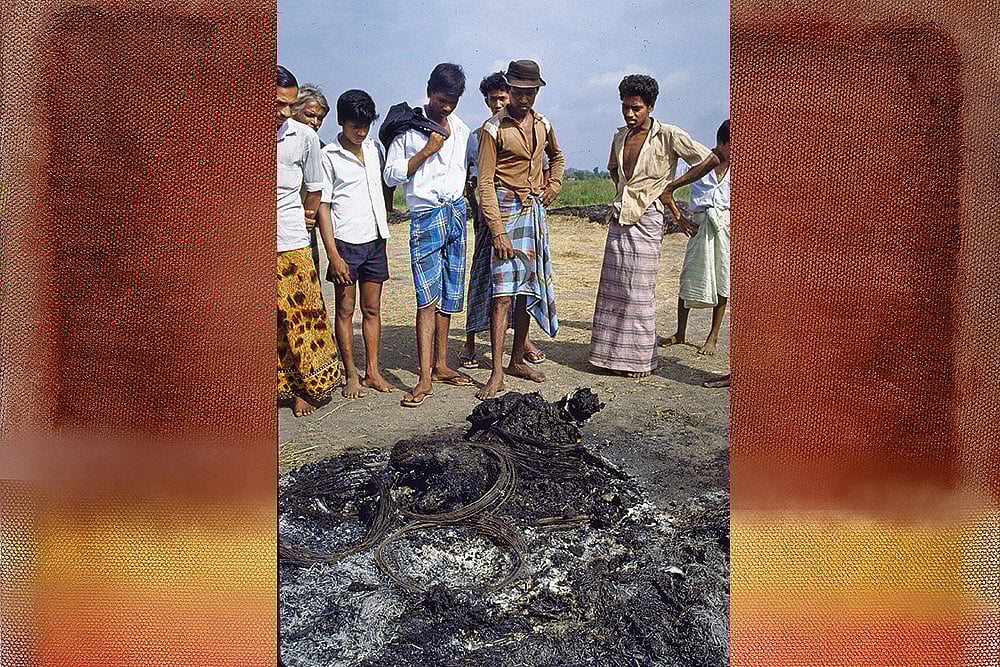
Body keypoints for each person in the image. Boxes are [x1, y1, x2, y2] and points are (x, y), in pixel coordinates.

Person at [587, 75, 711, 378]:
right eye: (626, 107)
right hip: (620, 216)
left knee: (638, 293)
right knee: (614, 290)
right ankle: (608, 358)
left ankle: (639, 361)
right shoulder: (620, 136)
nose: (630, 114)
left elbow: (707, 158)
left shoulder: (667, 135)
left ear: (651, 107)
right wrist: (623, 196)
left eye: (637, 108)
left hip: (649, 218)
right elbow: (614, 171)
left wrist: (671, 187)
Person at [384, 63, 475, 407]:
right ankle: (423, 378)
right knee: (427, 297)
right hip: (425, 216)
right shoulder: (408, 128)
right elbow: (392, 175)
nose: (446, 106)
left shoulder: (463, 130)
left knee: (450, 294)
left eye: (452, 99)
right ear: (429, 90)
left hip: (455, 214)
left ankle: (441, 364)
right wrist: (426, 151)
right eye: (441, 98)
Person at [475, 60, 565, 400]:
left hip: (534, 212)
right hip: (505, 209)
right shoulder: (492, 129)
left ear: (537, 91)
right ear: (508, 90)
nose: (524, 99)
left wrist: (554, 184)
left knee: (527, 289)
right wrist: (496, 229)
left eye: (531, 93)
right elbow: (484, 182)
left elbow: (557, 157)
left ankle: (516, 361)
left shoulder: (543, 124)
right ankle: (496, 372)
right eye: (518, 92)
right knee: (502, 295)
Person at [462, 72, 546, 370]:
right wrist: (491, 224)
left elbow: (549, 162)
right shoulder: (482, 133)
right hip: (491, 217)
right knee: (491, 286)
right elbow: (478, 183)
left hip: (522, 214)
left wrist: (552, 187)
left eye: (503, 98)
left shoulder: (538, 125)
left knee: (520, 287)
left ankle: (518, 352)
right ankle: (478, 350)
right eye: (494, 99)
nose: (501, 103)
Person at [318, 90, 395, 399]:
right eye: (354, 125)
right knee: (346, 310)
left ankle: (373, 371)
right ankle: (350, 373)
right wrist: (333, 254)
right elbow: (323, 206)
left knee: (372, 309)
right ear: (340, 122)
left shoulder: (375, 148)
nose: (360, 132)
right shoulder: (329, 156)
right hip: (346, 244)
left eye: (365, 125)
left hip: (375, 240)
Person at [276, 65, 340, 417]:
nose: (285, 113)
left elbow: (315, 188)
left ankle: (312, 388)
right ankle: (282, 386)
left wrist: (302, 216)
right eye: (278, 104)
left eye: (289, 105)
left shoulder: (303, 137)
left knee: (305, 317)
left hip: (292, 240)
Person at [659, 119, 730, 357]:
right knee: (689, 277)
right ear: (721, 142)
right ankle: (680, 332)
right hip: (700, 225)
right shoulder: (697, 163)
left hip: (724, 227)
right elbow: (668, 191)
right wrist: (679, 217)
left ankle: (713, 336)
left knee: (722, 280)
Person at [293, 84, 331, 275]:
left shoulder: (321, 149)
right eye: (310, 115)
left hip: (306, 227)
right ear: (294, 109)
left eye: (320, 118)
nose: (315, 122)